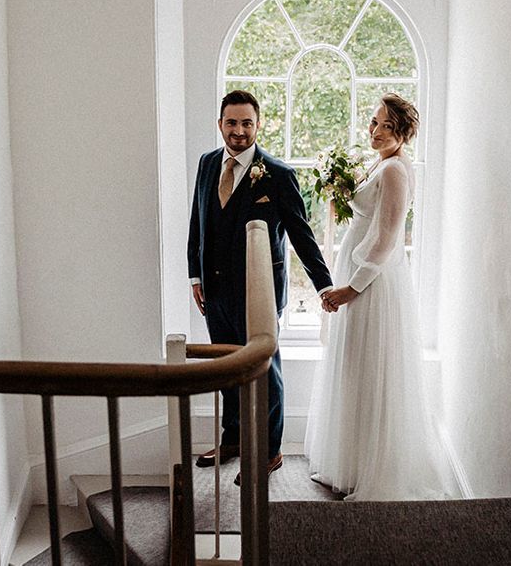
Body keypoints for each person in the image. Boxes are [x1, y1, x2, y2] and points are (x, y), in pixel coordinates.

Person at [304, 93, 456, 501]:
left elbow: (387, 238)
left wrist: (351, 288)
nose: (374, 131)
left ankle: (373, 468)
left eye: (385, 126)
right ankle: (349, 463)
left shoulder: (395, 171)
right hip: (357, 275)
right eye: (373, 122)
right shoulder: (380, 163)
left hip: (371, 285)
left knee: (369, 369)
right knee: (354, 367)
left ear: (402, 132)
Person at [188, 89, 333, 484]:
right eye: (231, 122)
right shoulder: (206, 164)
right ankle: (232, 439)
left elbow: (303, 237)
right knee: (225, 368)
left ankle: (270, 451)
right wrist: (194, 275)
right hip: (214, 292)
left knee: (266, 372)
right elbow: (198, 222)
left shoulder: (278, 175)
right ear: (221, 124)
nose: (239, 131)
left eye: (246, 123)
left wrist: (324, 286)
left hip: (260, 294)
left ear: (258, 124)